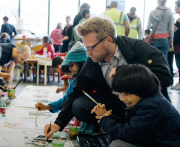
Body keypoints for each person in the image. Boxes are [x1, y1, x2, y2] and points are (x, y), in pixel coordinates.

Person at [44, 17, 172, 139]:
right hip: (119, 104)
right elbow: (76, 92)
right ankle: (119, 126)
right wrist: (59, 124)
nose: (88, 53)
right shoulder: (93, 61)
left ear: (109, 40)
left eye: (91, 47)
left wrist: (125, 72)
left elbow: (166, 77)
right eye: (86, 48)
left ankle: (129, 128)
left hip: (146, 107)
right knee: (79, 105)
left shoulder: (138, 48)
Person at [91, 64, 180, 147]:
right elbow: (131, 126)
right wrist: (107, 117)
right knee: (114, 130)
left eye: (127, 93)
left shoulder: (151, 106)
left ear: (142, 89)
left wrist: (104, 120)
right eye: (120, 93)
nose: (122, 98)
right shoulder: (148, 99)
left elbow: (128, 134)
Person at [36, 42, 87, 113]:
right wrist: (47, 107)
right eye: (69, 66)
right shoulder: (75, 80)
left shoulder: (92, 76)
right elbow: (67, 99)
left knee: (77, 104)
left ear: (82, 63)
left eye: (71, 65)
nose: (70, 69)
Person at [172, 0, 180, 90]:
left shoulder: (179, 20)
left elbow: (173, 30)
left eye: (176, 7)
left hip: (178, 45)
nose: (175, 9)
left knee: (179, 64)